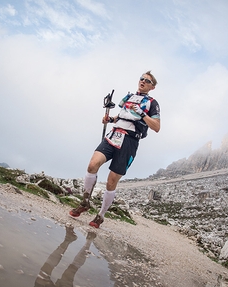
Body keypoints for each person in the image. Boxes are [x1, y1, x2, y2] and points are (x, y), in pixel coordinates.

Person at [69, 71, 161, 228]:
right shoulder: (128, 97)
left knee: (111, 181)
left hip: (130, 141)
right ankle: (85, 201)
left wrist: (141, 114)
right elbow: (122, 116)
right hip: (114, 135)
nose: (143, 81)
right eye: (141, 78)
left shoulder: (152, 103)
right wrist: (110, 119)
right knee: (92, 165)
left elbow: (157, 127)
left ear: (152, 87)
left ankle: (101, 215)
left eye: (147, 80)